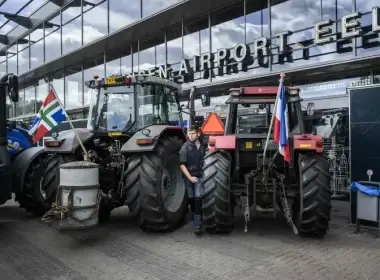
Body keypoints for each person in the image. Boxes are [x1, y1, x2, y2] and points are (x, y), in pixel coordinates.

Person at [179, 125, 205, 234]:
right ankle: (196, 218)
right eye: (189, 134)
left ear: (198, 134)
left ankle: (197, 225)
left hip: (199, 176)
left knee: (198, 199)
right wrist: (190, 177)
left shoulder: (203, 145)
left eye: (193, 133)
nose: (190, 135)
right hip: (189, 177)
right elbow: (181, 165)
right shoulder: (185, 147)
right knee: (192, 199)